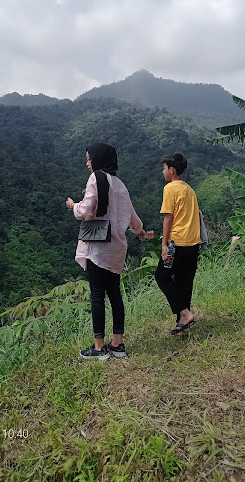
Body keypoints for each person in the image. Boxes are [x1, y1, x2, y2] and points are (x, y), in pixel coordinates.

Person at [66, 143, 151, 360]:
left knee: (96, 294)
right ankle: (118, 344)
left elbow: (85, 209)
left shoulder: (96, 178)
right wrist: (140, 232)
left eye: (88, 158)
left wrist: (72, 205)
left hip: (97, 247)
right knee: (114, 294)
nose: (87, 163)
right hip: (116, 249)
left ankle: (98, 347)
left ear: (98, 159)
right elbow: (133, 217)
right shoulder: (121, 185)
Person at [154, 153, 201, 335]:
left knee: (162, 276)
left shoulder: (170, 188)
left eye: (164, 168)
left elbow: (168, 217)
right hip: (193, 242)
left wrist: (164, 245)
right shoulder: (189, 190)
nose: (163, 171)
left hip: (177, 242)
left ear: (171, 170)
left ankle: (184, 313)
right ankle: (181, 323)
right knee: (184, 282)